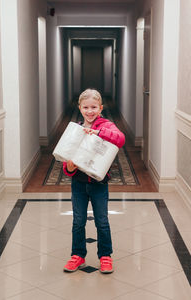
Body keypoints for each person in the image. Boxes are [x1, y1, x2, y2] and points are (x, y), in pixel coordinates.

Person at [63, 88, 125, 273]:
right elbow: (67, 163)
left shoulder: (106, 126)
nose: (90, 111)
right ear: (80, 108)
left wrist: (99, 133)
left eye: (94, 107)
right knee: (78, 220)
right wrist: (70, 167)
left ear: (100, 108)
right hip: (79, 184)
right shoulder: (76, 130)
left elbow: (120, 139)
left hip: (99, 184)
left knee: (102, 221)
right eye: (86, 107)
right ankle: (78, 255)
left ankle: (105, 256)